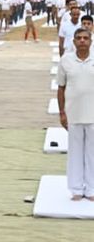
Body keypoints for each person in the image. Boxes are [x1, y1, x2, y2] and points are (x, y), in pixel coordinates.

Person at [57, 28, 94, 201]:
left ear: (91, 41)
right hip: (74, 113)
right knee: (75, 153)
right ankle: (76, 188)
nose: (82, 41)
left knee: (92, 153)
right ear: (74, 42)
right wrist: (62, 112)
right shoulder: (66, 60)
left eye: (85, 38)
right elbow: (61, 88)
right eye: (78, 38)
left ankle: (92, 188)